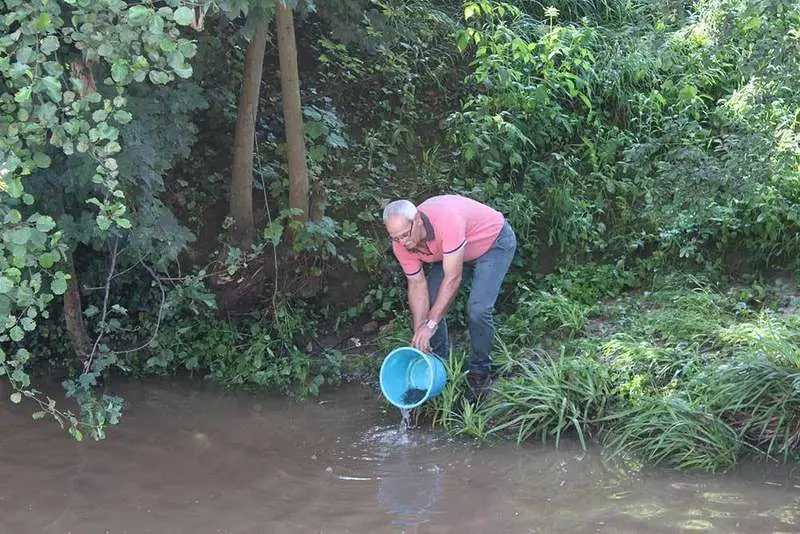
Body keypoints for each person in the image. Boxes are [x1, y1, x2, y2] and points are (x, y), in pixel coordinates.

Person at [383, 194, 517, 397]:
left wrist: (430, 325)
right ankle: (438, 367)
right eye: (396, 238)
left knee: (478, 309)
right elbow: (417, 285)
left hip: (492, 243)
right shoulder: (401, 244)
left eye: (405, 235)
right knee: (430, 305)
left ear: (418, 220)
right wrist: (420, 330)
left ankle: (480, 372)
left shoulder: (446, 220)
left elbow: (453, 279)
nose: (403, 242)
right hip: (454, 252)